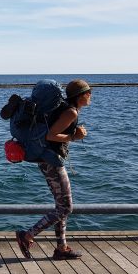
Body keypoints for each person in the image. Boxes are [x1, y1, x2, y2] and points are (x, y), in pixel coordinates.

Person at [15, 79, 92, 260]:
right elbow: (52, 135)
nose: (91, 96)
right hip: (51, 161)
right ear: (80, 96)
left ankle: (61, 248)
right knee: (66, 207)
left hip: (46, 158)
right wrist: (75, 136)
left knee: (61, 206)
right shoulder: (70, 112)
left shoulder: (65, 108)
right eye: (88, 92)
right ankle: (27, 235)